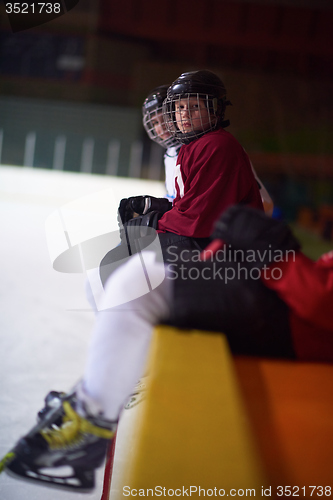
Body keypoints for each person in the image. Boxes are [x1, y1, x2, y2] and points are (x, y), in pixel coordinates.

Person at [3, 206, 333, 492]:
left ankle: (90, 423)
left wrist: (275, 254)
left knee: (136, 284)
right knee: (139, 276)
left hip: (293, 327)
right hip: (288, 307)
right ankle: (96, 404)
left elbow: (322, 303)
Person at [100, 70, 264, 285]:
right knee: (119, 258)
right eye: (179, 108)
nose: (185, 114)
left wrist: (154, 221)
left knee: (117, 264)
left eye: (195, 107)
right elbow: (190, 207)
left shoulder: (217, 145)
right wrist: (158, 209)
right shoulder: (190, 147)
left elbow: (199, 220)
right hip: (207, 239)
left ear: (215, 110)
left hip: (227, 250)